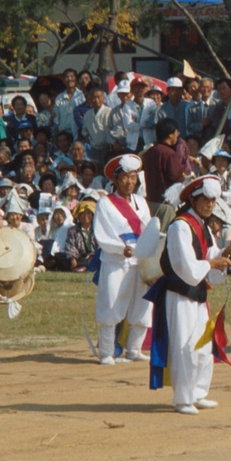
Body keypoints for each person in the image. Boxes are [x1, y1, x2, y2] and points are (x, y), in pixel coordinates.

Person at [148, 174, 231, 415]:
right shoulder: (180, 226)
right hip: (180, 293)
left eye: (213, 201)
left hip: (197, 293)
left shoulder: (203, 226)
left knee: (203, 345)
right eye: (205, 200)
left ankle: (198, 392)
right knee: (185, 347)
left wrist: (226, 254)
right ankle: (183, 398)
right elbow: (185, 266)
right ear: (193, 200)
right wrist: (212, 264)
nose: (210, 205)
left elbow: (210, 255)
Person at [92, 154, 155, 365]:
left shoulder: (141, 202)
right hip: (116, 260)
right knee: (111, 303)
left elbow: (148, 229)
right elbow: (102, 233)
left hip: (140, 259)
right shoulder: (105, 203)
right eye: (125, 177)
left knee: (142, 304)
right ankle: (107, 352)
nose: (129, 182)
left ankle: (134, 349)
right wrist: (120, 248)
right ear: (116, 179)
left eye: (133, 177)